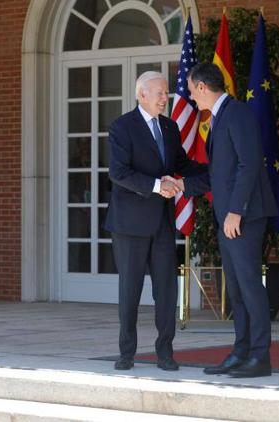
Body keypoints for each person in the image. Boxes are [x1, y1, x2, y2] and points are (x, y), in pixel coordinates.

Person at [175, 62, 278, 378]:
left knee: (249, 287)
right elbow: (219, 175)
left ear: (203, 87)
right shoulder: (219, 118)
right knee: (235, 289)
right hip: (229, 217)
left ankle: (260, 357)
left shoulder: (238, 113)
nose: (192, 97)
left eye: (192, 91)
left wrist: (237, 211)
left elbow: (249, 165)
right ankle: (241, 351)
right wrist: (182, 186)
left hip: (242, 217)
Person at [105, 71, 206, 371]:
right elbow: (118, 173)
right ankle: (126, 353)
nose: (166, 98)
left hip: (162, 223)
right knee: (130, 291)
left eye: (166, 92)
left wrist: (215, 167)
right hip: (129, 225)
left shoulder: (171, 128)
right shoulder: (122, 127)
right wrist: (156, 186)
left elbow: (182, 165)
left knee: (166, 291)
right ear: (142, 95)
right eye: (160, 93)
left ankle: (165, 353)